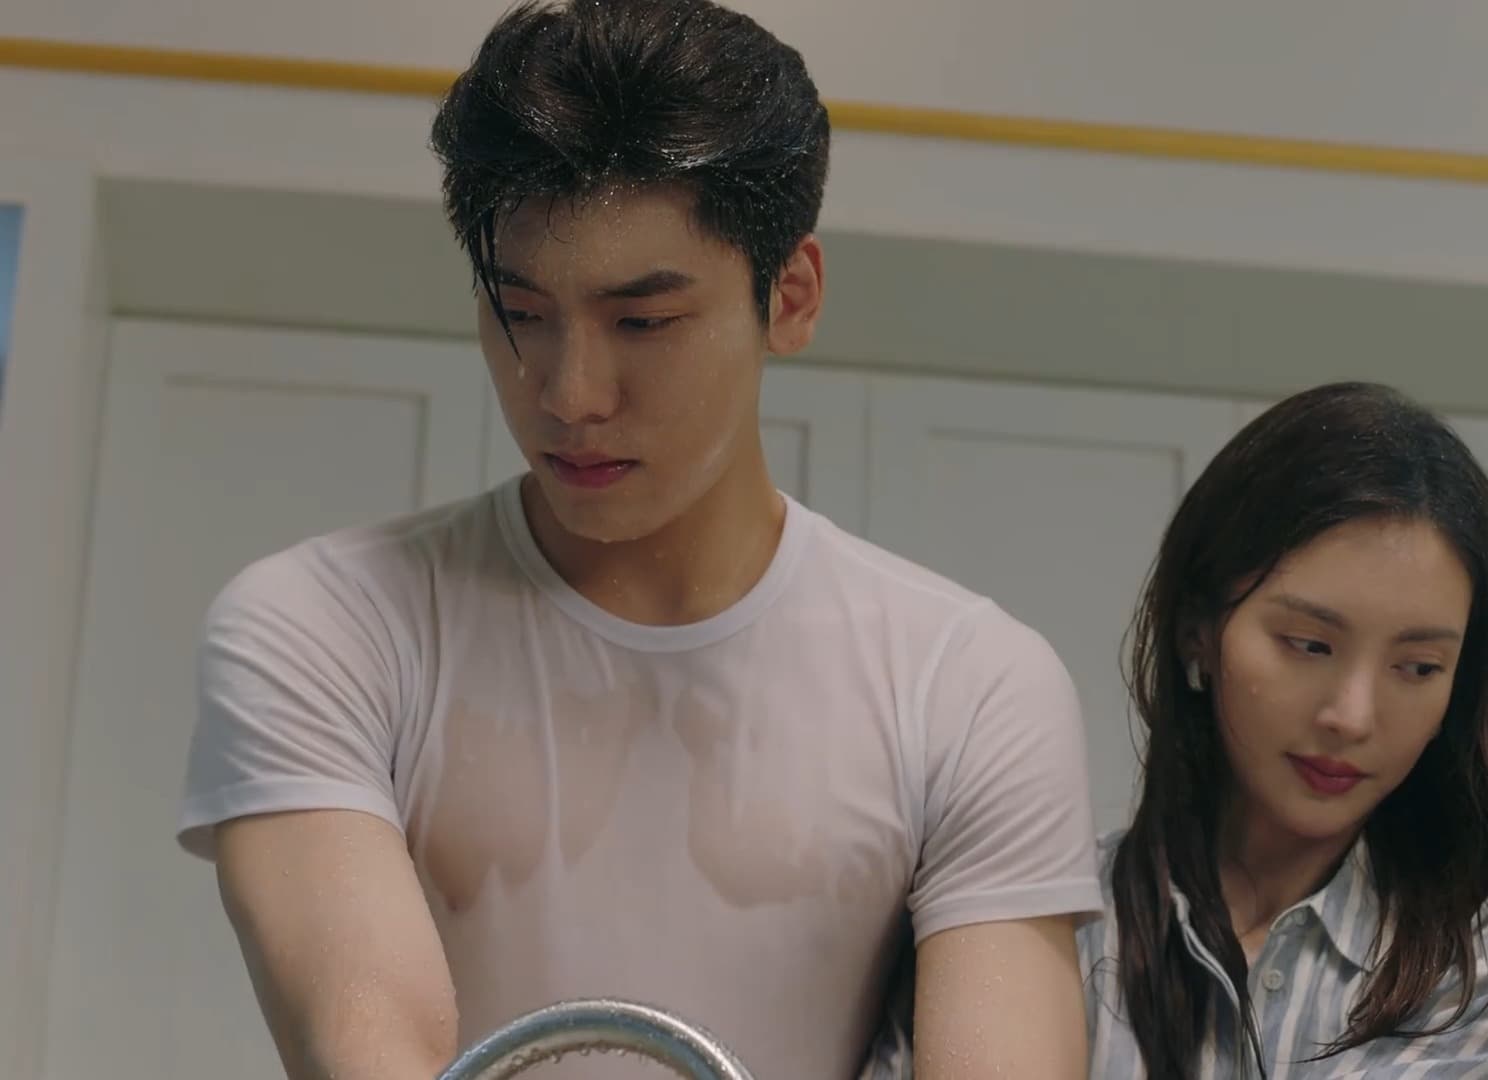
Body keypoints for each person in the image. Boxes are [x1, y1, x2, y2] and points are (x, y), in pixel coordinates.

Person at [173, 2, 1102, 1077]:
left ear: (790, 298)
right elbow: (370, 1045)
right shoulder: (322, 626)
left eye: (643, 322)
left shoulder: (970, 686)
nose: (570, 393)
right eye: (522, 313)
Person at [1080, 381, 1488, 1078]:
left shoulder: (1482, 962)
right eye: (1309, 645)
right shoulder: (1055, 915)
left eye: (1418, 667)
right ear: (1196, 630)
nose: (1352, 717)